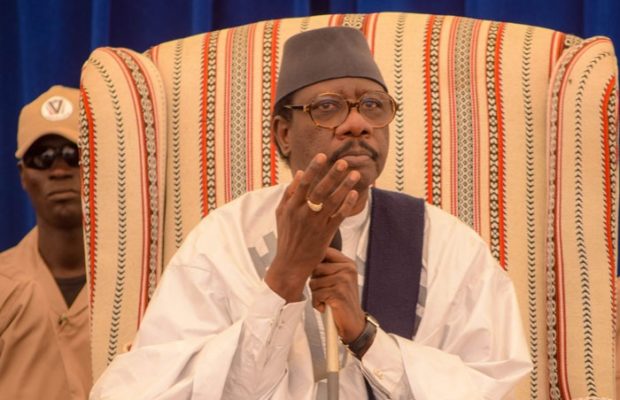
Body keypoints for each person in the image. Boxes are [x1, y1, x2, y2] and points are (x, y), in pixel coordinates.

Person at [90, 27, 531, 399]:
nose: (357, 124)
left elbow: (491, 383)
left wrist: (364, 336)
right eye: (327, 107)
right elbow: (143, 390)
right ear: (284, 134)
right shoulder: (223, 241)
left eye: (373, 106)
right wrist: (283, 281)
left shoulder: (448, 247)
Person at [0, 86, 91, 399]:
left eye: (74, 154)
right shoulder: (4, 285)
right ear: (23, 174)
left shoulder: (146, 284)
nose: (60, 171)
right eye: (43, 158)